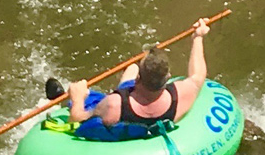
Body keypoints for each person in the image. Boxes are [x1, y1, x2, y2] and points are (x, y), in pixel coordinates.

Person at [53, 17, 213, 140]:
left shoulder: (114, 105)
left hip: (127, 108)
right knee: (132, 67)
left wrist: (78, 97)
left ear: (138, 79)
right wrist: (198, 37)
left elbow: (76, 120)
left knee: (129, 69)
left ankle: (65, 96)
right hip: (149, 108)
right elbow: (198, 75)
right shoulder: (181, 96)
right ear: (168, 77)